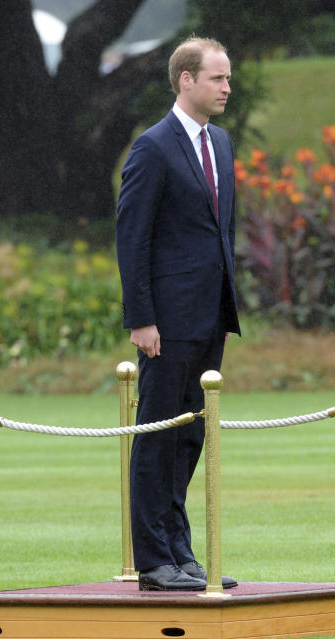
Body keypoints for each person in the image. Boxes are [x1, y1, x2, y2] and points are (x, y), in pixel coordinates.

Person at [115, 36, 241, 592]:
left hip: (210, 317)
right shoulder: (152, 147)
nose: (227, 88)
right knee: (157, 433)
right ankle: (154, 561)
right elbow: (132, 237)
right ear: (186, 80)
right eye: (217, 78)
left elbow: (220, 233)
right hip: (164, 323)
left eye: (227, 78)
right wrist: (141, 318)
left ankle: (181, 554)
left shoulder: (223, 143)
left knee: (190, 437)